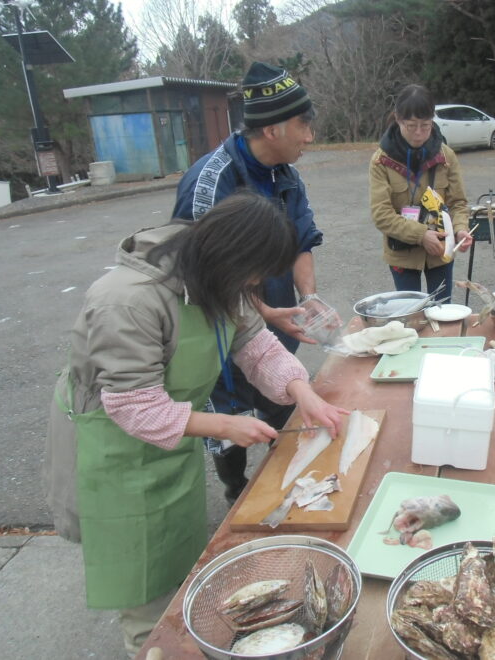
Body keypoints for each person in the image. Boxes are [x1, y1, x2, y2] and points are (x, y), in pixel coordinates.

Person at [43, 192, 348, 657]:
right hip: (112, 454)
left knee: (183, 561)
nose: (255, 285)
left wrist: (299, 390)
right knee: (145, 592)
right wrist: (224, 425)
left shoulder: (221, 279)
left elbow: (256, 345)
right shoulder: (125, 302)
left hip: (173, 435)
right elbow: (135, 406)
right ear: (229, 255)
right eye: (255, 274)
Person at [173, 62, 333, 505]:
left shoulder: (287, 174)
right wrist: (259, 312)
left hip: (271, 326)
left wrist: (310, 297)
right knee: (231, 430)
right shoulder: (210, 182)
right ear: (273, 128)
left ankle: (290, 488)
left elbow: (303, 239)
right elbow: (204, 277)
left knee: (286, 403)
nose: (310, 135)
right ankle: (235, 492)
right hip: (221, 337)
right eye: (303, 124)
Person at [369, 84, 473, 303]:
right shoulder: (381, 160)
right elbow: (381, 214)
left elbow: (458, 203)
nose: (418, 133)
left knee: (442, 310)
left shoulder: (446, 156)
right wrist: (421, 235)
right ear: (397, 119)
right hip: (402, 253)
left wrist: (461, 229)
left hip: (441, 250)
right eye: (411, 126)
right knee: (410, 314)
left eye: (425, 126)